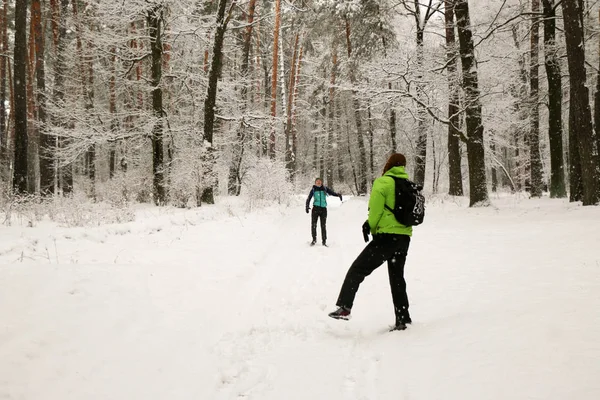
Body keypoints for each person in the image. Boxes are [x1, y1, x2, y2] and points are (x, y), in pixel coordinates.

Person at [328, 153, 413, 331]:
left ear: (389, 164)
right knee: (397, 278)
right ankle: (402, 318)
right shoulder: (407, 185)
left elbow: (375, 213)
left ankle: (345, 307)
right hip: (404, 238)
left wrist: (371, 228)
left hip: (386, 238)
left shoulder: (383, 182)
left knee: (357, 269)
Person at [305, 178, 342, 246]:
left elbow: (332, 193)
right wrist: (307, 206)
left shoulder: (325, 188)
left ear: (321, 182)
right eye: (317, 181)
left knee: (323, 226)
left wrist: (338, 195)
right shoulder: (313, 189)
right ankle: (314, 240)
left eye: (319, 181)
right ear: (315, 183)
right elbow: (308, 198)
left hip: (323, 210)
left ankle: (324, 241)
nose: (318, 182)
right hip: (315, 209)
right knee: (313, 225)